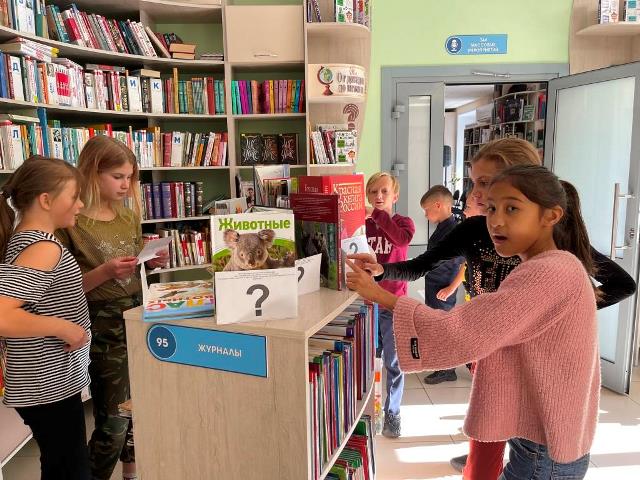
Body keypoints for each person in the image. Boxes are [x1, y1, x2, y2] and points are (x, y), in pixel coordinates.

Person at [347, 138, 636, 479]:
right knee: (487, 451)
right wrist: (383, 271)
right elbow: (426, 266)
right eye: (489, 200)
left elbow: (460, 332)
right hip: (524, 404)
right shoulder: (518, 248)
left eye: (509, 206)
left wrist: (561, 309)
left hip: (543, 439)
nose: (493, 217)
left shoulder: (550, 270)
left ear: (547, 213)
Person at [57, 136, 168, 480]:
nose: (125, 185)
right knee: (114, 421)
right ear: (92, 173)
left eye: (130, 177)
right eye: (117, 176)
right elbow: (61, 290)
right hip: (101, 327)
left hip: (138, 317)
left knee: (141, 409)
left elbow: (131, 268)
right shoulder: (71, 223)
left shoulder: (128, 216)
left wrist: (149, 262)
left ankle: (131, 472)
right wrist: (104, 272)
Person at [0, 157, 91, 479]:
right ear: (46, 200)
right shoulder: (43, 247)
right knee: (70, 469)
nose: (80, 204)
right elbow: (2, 315)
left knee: (60, 464)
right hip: (45, 385)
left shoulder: (29, 241)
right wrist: (64, 328)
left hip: (48, 382)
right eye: (74, 196)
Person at [364, 172, 415, 438]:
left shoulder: (403, 223)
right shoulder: (364, 226)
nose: (379, 196)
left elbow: (401, 241)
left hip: (393, 305)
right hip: (367, 304)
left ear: (395, 196)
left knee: (394, 363)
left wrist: (377, 215)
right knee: (368, 361)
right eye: (373, 192)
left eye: (384, 191)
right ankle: (368, 412)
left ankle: (393, 413)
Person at [419, 185, 464, 384]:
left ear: (438, 205)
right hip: (435, 284)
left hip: (444, 286)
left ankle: (447, 369)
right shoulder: (443, 226)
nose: (425, 214)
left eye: (426, 210)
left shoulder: (454, 230)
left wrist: (451, 288)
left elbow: (465, 263)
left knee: (443, 327)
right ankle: (442, 364)